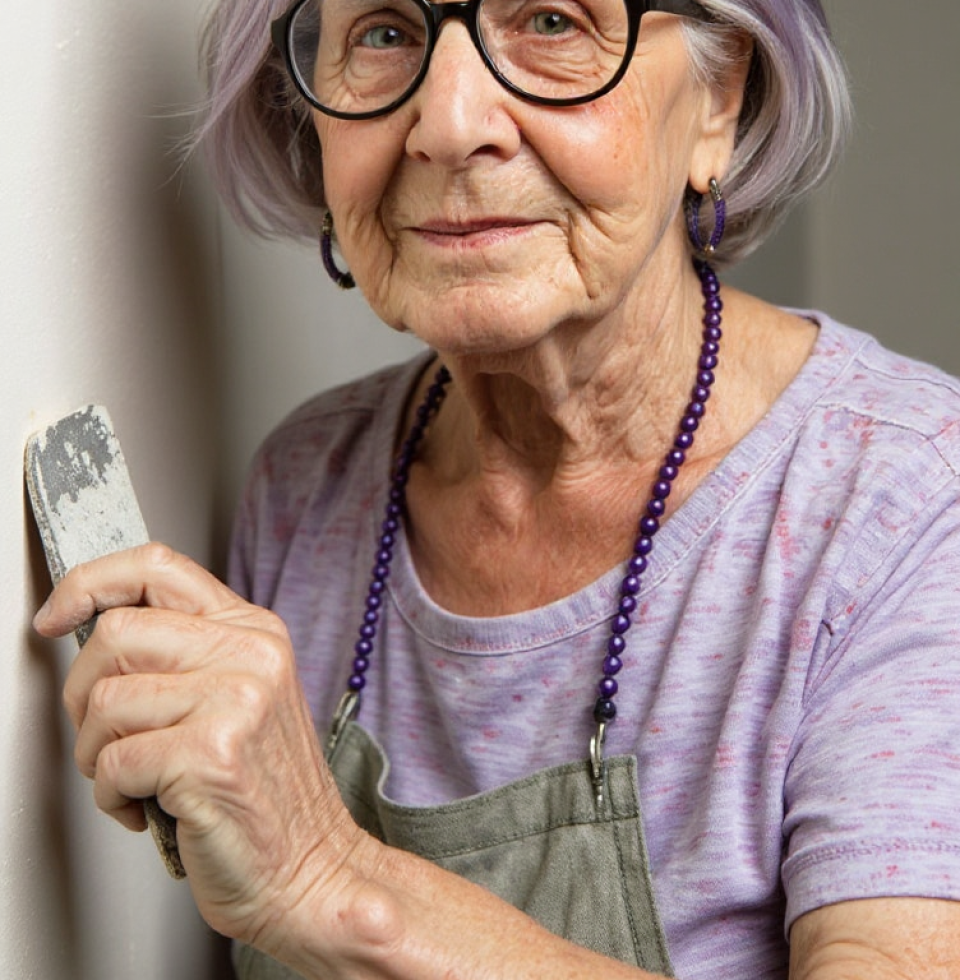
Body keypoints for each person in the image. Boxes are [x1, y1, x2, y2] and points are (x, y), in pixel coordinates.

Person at [32, 0, 960, 976]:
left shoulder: (907, 503)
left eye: (552, 21)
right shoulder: (305, 485)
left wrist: (333, 878)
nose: (450, 123)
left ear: (719, 97)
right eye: (384, 33)